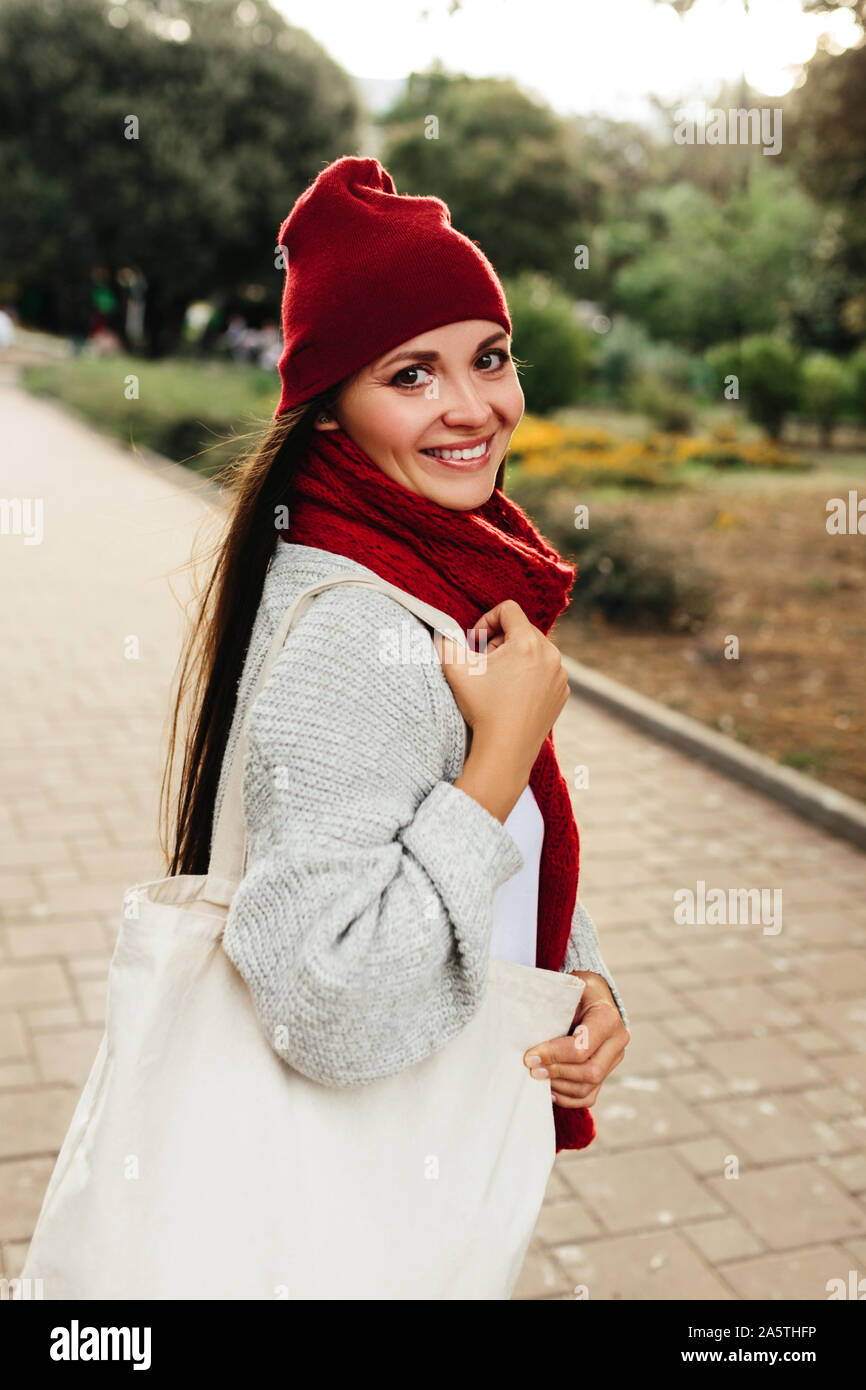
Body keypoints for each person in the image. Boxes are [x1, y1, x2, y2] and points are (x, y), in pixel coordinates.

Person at [163, 156, 630, 1292]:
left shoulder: (418, 565)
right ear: (330, 402)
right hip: (345, 1233)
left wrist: (577, 973)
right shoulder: (361, 633)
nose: (472, 408)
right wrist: (501, 756)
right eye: (411, 374)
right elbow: (326, 999)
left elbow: (426, 844)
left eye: (489, 357)